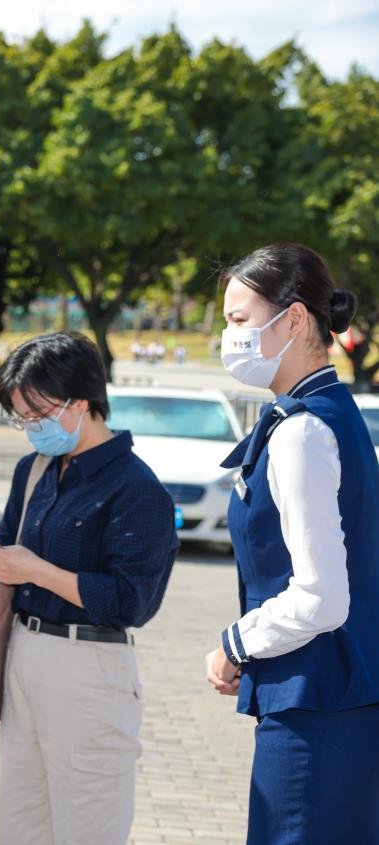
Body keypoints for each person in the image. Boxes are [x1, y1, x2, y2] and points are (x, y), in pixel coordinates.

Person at [0, 331, 177, 845]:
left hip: (88, 667)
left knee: (87, 826)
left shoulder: (136, 488)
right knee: (19, 826)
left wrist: (36, 570)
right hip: (23, 653)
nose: (29, 427)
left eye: (37, 414)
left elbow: (131, 601)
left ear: (82, 402)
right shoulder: (35, 468)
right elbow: (8, 553)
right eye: (20, 416)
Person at [205, 243, 378, 844]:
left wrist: (238, 643)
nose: (229, 338)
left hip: (316, 708)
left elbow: (322, 598)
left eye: (239, 320)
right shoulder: (327, 412)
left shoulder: (302, 430)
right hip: (338, 701)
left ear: (296, 319)